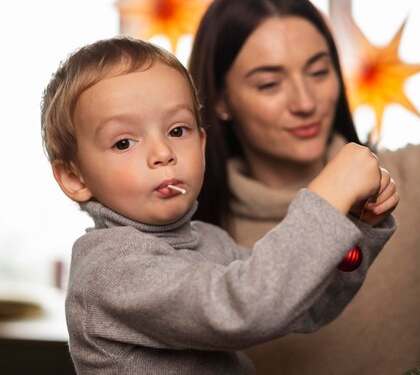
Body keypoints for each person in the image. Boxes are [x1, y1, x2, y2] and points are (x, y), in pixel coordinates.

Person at [40, 36, 399, 374]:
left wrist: (354, 225)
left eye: (177, 131)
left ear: (201, 143)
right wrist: (326, 198)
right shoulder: (110, 269)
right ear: (75, 178)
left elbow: (302, 302)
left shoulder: (209, 241)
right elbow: (248, 308)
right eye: (123, 143)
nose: (163, 153)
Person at [188, 0, 420, 374]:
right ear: (221, 100)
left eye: (319, 71)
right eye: (270, 84)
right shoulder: (195, 254)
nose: (305, 102)